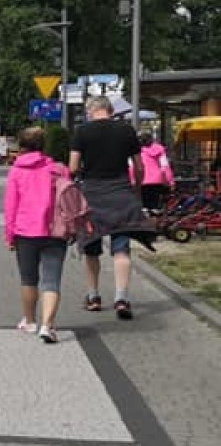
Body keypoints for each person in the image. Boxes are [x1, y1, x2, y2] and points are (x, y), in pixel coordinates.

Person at [70, 95, 151, 320]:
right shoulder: (126, 130)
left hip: (92, 194)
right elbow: (139, 166)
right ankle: (121, 298)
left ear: (91, 110)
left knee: (91, 248)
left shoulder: (82, 132)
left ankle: (94, 296)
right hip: (121, 192)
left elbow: (73, 166)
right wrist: (136, 188)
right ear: (110, 110)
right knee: (121, 248)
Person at [4, 127, 70, 344]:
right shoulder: (58, 169)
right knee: (51, 280)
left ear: (22, 146)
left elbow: (11, 205)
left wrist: (10, 234)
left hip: (25, 230)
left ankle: (30, 321)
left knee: (28, 279)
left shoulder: (16, 170)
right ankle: (47, 325)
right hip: (55, 231)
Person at [138, 132, 175, 214]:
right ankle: (155, 221)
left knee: (144, 206)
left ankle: (145, 221)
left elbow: (132, 167)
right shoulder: (160, 150)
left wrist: (132, 180)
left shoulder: (137, 151)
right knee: (155, 206)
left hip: (142, 179)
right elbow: (165, 166)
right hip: (157, 180)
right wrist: (170, 181)